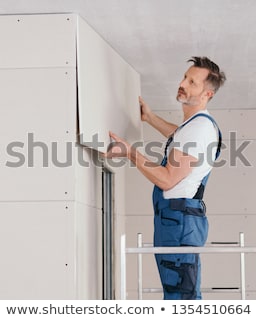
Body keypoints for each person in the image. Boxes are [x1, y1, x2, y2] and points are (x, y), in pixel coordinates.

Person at [105, 56, 226, 299]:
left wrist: (130, 153)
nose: (183, 83)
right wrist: (149, 118)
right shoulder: (194, 126)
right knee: (181, 291)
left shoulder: (199, 129)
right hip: (177, 219)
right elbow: (178, 135)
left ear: (207, 94)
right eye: (185, 77)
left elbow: (167, 179)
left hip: (178, 221)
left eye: (193, 82)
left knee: (180, 297)